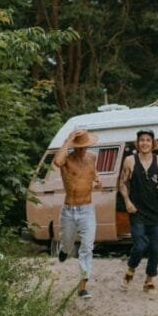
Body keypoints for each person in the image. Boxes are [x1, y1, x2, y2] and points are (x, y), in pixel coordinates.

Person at [118, 129, 158, 292]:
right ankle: (131, 270)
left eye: (148, 140)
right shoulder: (130, 161)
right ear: (137, 143)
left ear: (153, 143)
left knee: (156, 247)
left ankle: (149, 279)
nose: (145, 143)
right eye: (142, 140)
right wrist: (127, 201)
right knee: (140, 245)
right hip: (137, 211)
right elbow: (122, 183)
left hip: (156, 212)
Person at [53, 128, 101, 299]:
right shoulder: (66, 159)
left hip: (87, 209)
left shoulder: (92, 158)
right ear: (73, 146)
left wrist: (97, 180)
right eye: (79, 146)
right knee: (67, 242)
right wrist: (68, 139)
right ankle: (65, 249)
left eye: (85, 146)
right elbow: (57, 162)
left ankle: (83, 286)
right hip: (69, 210)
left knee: (87, 247)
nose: (82, 149)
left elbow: (93, 173)